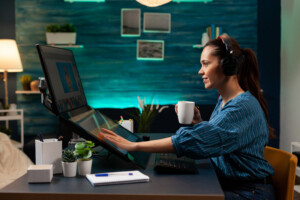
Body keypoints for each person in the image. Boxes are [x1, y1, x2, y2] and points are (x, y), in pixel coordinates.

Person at [99, 34, 276, 199]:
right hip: (231, 184)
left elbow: (192, 141)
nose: (200, 71)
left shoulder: (242, 107)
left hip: (248, 193)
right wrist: (199, 123)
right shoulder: (224, 100)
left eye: (205, 64)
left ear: (226, 65)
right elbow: (218, 139)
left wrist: (134, 146)